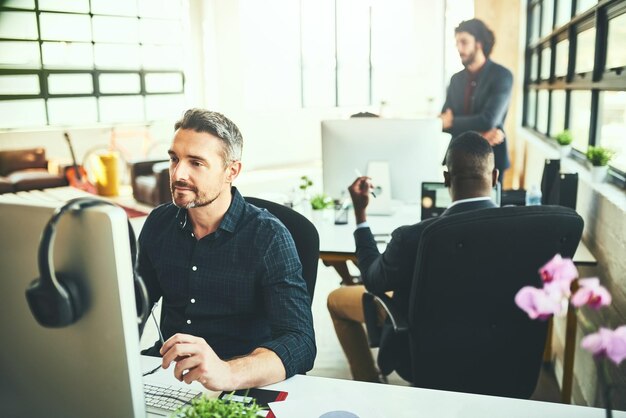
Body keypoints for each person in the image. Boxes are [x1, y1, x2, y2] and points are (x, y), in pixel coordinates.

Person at [137, 108, 316, 391]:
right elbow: (133, 309)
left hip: (240, 380)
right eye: (174, 159)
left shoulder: (268, 237)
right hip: (168, 375)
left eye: (196, 163)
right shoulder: (159, 223)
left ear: (231, 171)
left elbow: (300, 342)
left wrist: (227, 372)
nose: (178, 173)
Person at [327, 131, 498, 383]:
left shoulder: (415, 237)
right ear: (494, 177)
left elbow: (373, 280)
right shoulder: (524, 231)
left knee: (336, 300)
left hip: (426, 348)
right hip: (495, 348)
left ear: (446, 178)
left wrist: (361, 216)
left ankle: (369, 387)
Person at [439, 19, 513, 184]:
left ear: (479, 43)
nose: (459, 48)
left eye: (464, 42)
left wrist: (454, 122)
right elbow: (444, 122)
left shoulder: (502, 75)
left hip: (491, 160)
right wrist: (481, 135)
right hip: (457, 158)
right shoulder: (456, 79)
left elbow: (488, 119)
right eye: (457, 43)